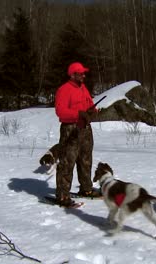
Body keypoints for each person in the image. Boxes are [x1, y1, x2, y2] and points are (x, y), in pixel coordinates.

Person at [54, 62, 101, 207]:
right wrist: (78, 114)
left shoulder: (83, 88)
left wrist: (92, 111)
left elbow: (89, 104)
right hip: (70, 129)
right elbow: (60, 112)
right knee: (67, 162)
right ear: (73, 74)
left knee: (86, 160)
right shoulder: (64, 90)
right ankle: (62, 195)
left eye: (83, 73)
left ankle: (86, 189)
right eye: (81, 74)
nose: (83, 76)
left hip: (85, 129)